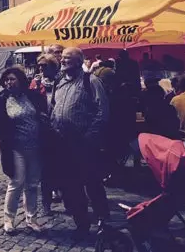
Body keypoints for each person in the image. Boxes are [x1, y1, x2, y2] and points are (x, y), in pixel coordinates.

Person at [51, 47, 110, 240]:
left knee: (92, 182)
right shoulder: (58, 82)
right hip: (62, 143)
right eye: (62, 59)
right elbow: (53, 107)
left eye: (68, 59)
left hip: (84, 142)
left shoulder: (90, 81)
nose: (63, 61)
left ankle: (103, 219)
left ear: (78, 62)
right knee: (70, 185)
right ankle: (82, 223)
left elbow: (103, 111)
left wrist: (90, 137)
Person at [0, 66, 46, 234]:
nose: (9, 82)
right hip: (16, 148)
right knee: (16, 182)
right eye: (7, 79)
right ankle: (8, 219)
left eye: (12, 79)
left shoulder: (32, 96)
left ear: (20, 80)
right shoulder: (2, 100)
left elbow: (42, 114)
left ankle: (32, 219)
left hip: (36, 146)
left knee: (32, 184)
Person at [29, 53, 60, 215]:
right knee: (45, 170)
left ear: (53, 67)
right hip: (43, 130)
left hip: (59, 129)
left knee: (61, 167)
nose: (41, 69)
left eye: (44, 66)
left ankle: (67, 199)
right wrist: (35, 89)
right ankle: (46, 203)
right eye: (39, 66)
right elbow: (30, 104)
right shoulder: (35, 83)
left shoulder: (61, 81)